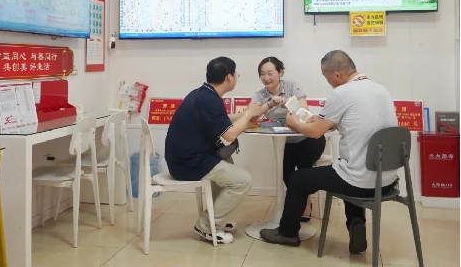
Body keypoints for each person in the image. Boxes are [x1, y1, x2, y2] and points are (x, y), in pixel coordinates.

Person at [259, 50, 398, 254]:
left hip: (360, 181)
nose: (328, 82)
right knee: (349, 171)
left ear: (337, 75)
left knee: (298, 179)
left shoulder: (342, 93)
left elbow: (315, 133)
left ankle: (287, 233)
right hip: (386, 180)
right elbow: (352, 120)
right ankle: (356, 223)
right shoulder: (380, 89)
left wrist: (295, 122)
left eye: (326, 77)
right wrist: (322, 121)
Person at [165, 56, 262, 244]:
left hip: (186, 158)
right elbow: (230, 135)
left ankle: (215, 218)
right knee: (243, 181)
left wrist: (245, 116)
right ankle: (207, 226)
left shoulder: (202, 93)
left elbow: (221, 119)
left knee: (228, 164)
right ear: (229, 77)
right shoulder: (209, 99)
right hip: (188, 164)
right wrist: (249, 113)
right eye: (236, 74)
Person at [251, 57, 325, 221]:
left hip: (308, 138)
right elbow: (253, 114)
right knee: (286, 174)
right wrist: (269, 104)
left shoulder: (292, 86)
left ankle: (305, 202)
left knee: (303, 170)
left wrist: (288, 104)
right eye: (262, 74)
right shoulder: (260, 94)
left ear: (280, 72)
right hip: (285, 143)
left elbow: (304, 110)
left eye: (270, 73)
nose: (266, 78)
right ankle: (297, 202)